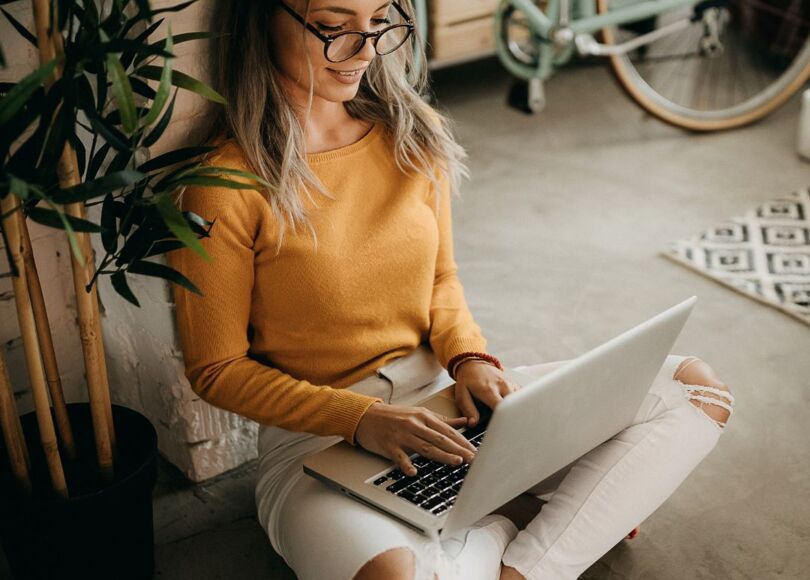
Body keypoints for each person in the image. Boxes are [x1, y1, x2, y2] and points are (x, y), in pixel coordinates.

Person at [167, 1, 737, 579]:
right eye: (334, 28)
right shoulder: (222, 186)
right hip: (316, 444)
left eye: (379, 23)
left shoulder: (413, 134)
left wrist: (469, 358)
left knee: (694, 393)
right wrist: (360, 417)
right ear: (261, 18)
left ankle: (518, 563)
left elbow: (440, 280)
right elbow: (216, 368)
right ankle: (523, 519)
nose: (364, 50)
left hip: (449, 410)